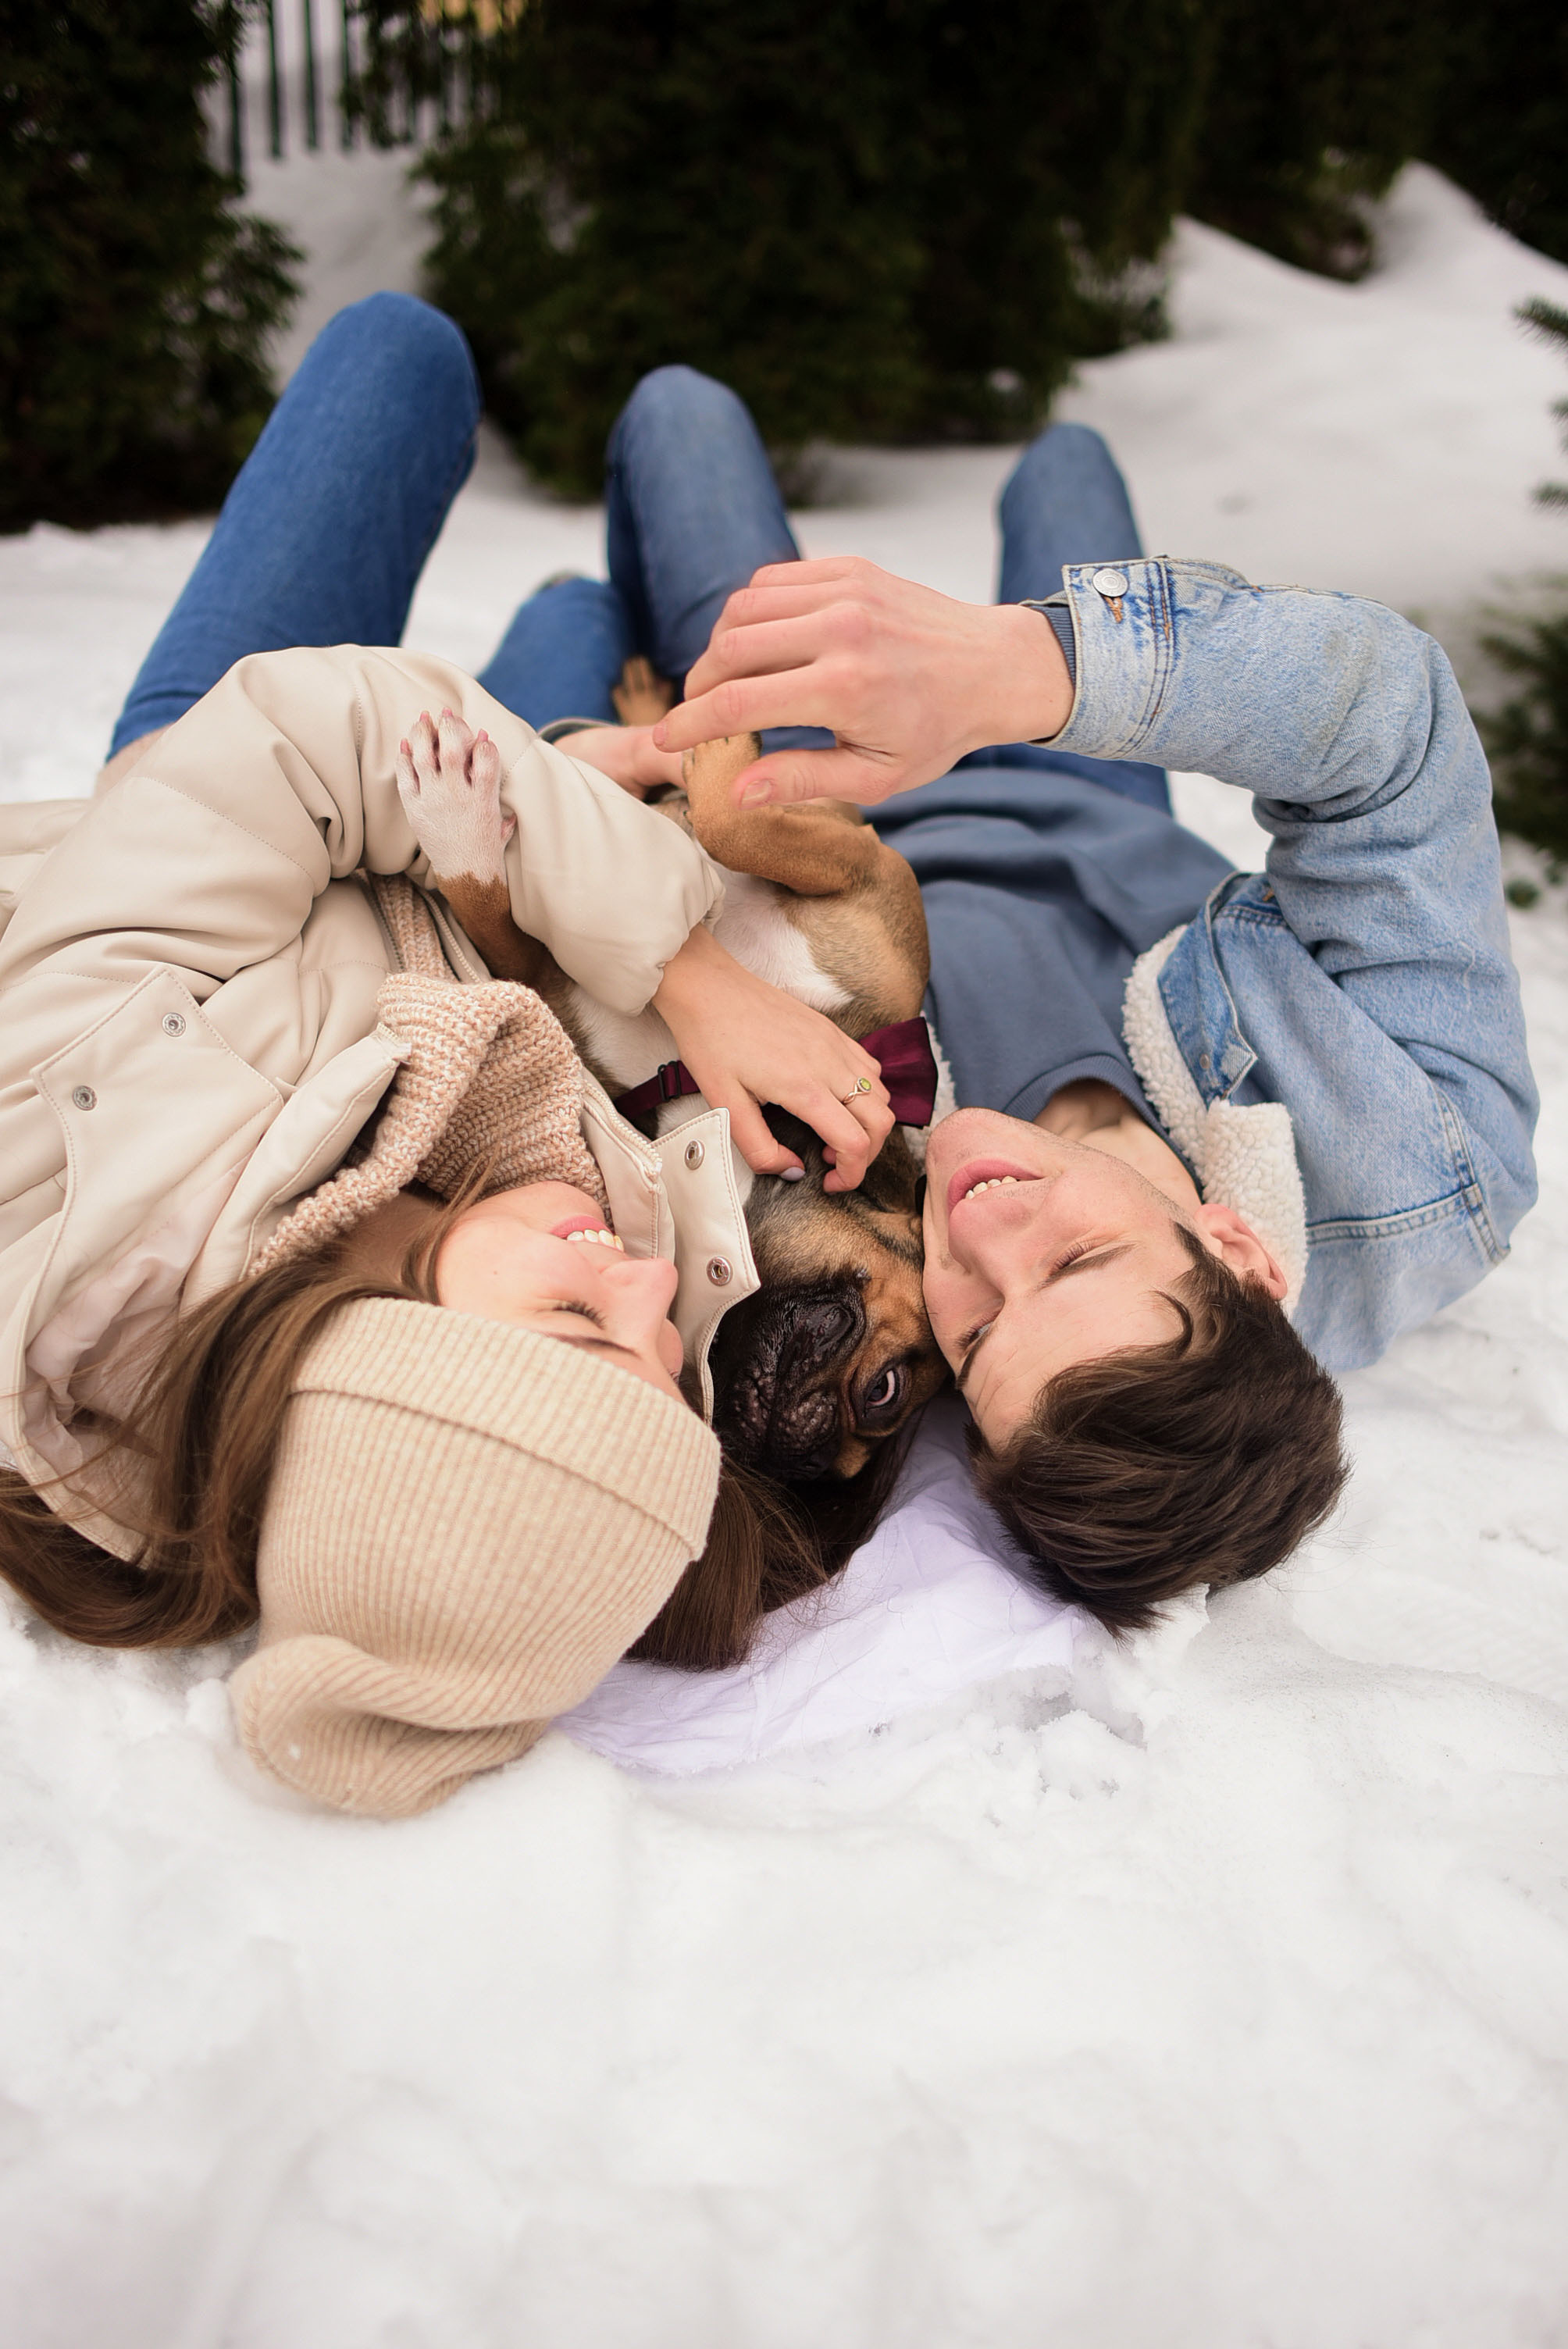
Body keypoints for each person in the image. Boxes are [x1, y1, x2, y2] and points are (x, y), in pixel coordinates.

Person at [0, 296, 899, 1818]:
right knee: (571, 641)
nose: (648, 1289)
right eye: (662, 1364)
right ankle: (566, 631)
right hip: (471, 869)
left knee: (403, 357)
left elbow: (321, 735)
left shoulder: (93, 1120)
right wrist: (543, 811)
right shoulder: (488, 1348)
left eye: (580, 1317)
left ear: (386, 1349)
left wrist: (680, 967)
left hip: (230, 803)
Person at [639, 372, 1538, 1629]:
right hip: (1095, 780)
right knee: (1067, 461)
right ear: (1237, 1251)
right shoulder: (1433, 1163)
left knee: (679, 413)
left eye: (977, 1337)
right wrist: (1013, 671)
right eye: (1075, 1258)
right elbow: (1391, 727)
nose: (981, 1234)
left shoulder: (865, 1264)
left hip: (818, 809)